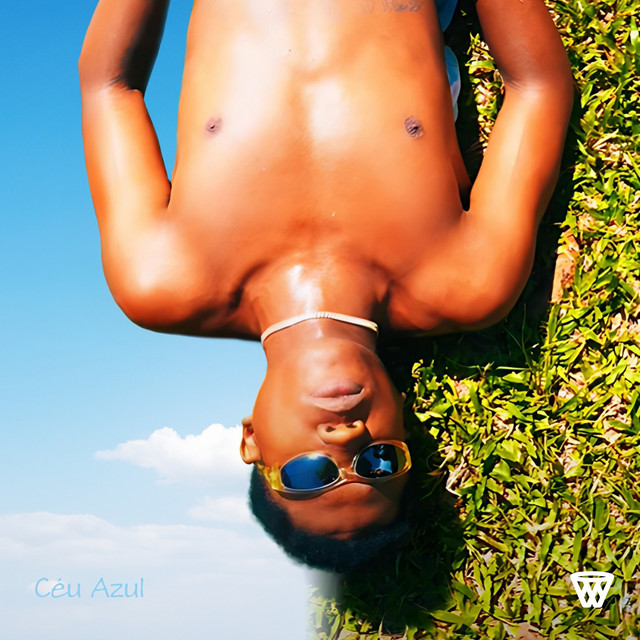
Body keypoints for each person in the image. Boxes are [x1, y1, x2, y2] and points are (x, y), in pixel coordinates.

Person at [79, 0, 573, 570]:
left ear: (251, 441)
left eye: (308, 474)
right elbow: (538, 88)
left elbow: (109, 88)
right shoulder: (468, 281)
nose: (345, 440)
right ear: (405, 428)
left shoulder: (161, 281)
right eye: (380, 463)